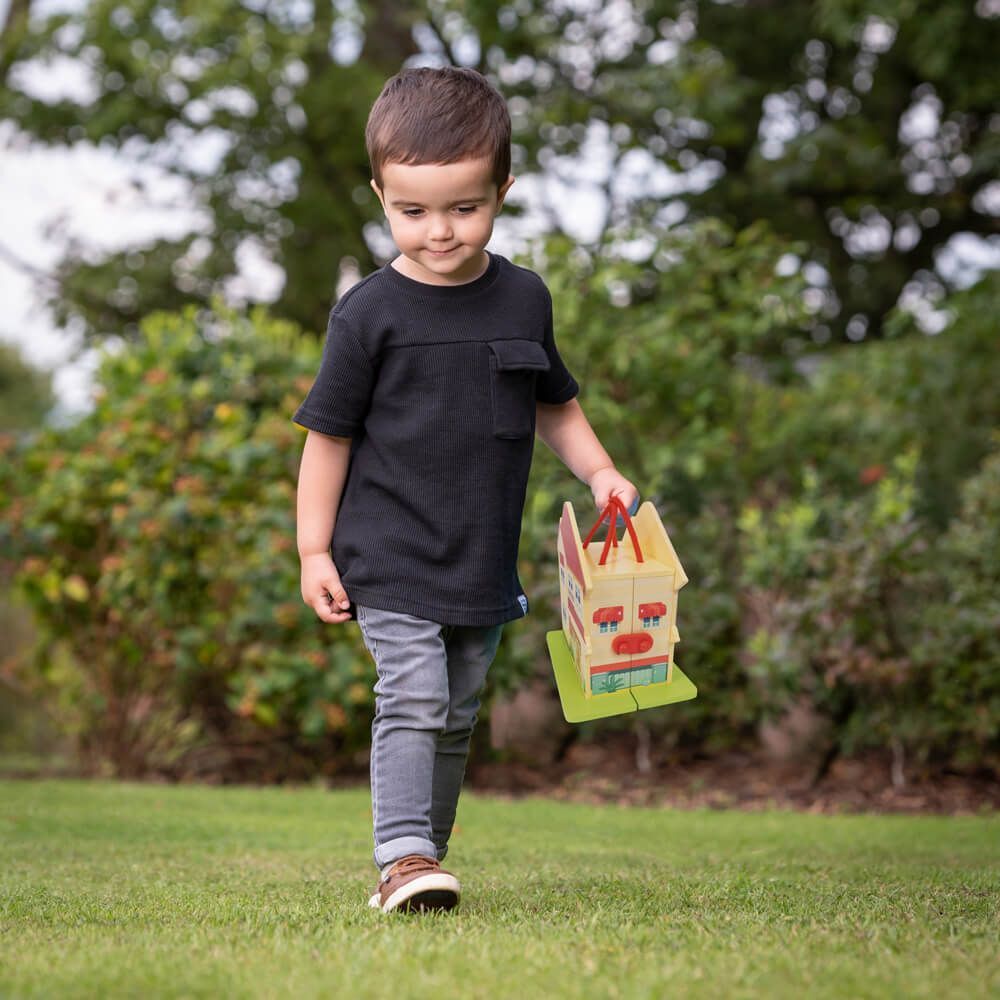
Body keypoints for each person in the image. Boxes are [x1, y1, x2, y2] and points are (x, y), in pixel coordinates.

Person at [293, 65, 637, 914]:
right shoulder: (367, 315)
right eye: (412, 212)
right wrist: (312, 549)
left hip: (480, 560)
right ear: (381, 195)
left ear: (502, 189)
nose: (439, 231)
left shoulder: (523, 298)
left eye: (463, 208)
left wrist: (599, 469)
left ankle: (426, 860)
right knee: (412, 693)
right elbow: (327, 439)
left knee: (455, 710)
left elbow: (555, 404)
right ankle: (403, 859)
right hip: (388, 552)